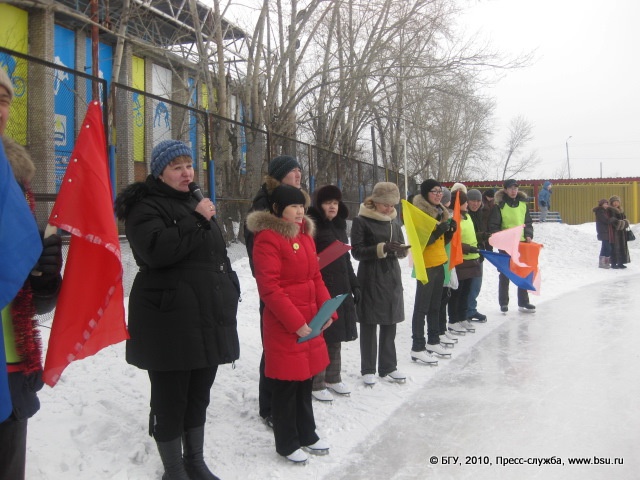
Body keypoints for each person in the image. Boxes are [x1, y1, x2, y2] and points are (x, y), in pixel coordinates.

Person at [115, 139, 240, 480]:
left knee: (199, 395)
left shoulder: (194, 203)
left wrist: (230, 287)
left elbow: (213, 255)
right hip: (169, 320)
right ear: (160, 173)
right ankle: (174, 470)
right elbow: (156, 251)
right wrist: (197, 220)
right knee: (171, 399)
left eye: (189, 166)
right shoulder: (145, 207)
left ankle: (195, 462)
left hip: (206, 315)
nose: (187, 173)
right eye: (177, 167)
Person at [1, 67, 63, 480]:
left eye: (3, 99)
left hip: (11, 361)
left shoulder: (15, 180)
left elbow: (27, 293)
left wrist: (44, 276)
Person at [246, 184, 334, 464]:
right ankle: (286, 443)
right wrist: (296, 322)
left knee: (304, 380)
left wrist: (327, 311)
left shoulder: (305, 234)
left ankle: (307, 433)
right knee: (286, 385)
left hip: (309, 319)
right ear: (277, 209)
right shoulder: (267, 238)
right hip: (285, 324)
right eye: (293, 206)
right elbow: (269, 288)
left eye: (302, 206)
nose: (300, 211)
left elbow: (315, 277)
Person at [243, 155, 308, 428]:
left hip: (297, 286)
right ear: (279, 175)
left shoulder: (298, 201)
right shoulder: (265, 203)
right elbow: (260, 253)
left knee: (294, 345)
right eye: (292, 170)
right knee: (275, 346)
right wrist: (272, 282)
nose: (298, 174)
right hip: (276, 289)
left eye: (299, 169)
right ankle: (269, 406)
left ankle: (291, 399)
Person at [351, 182, 409, 384]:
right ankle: (368, 368)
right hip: (370, 276)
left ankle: (388, 366)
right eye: (385, 204)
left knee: (390, 321)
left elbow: (400, 244)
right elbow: (357, 251)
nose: (389, 208)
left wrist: (401, 250)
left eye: (392, 205)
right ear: (375, 201)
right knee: (369, 322)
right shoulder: (361, 221)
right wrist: (382, 248)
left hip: (391, 276)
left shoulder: (394, 222)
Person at [307, 185, 359, 402]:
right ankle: (316, 382)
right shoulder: (312, 225)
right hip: (321, 285)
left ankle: (333, 377)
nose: (332, 207)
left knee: (335, 334)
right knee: (321, 334)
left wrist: (354, 284)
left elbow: (345, 258)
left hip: (340, 285)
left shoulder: (339, 225)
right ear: (319, 205)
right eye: (328, 203)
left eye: (336, 203)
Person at [488, 179, 535, 313]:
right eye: (510, 188)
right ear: (505, 190)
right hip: (506, 245)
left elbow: (528, 223)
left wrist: (529, 234)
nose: (513, 191)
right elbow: (494, 226)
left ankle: (524, 302)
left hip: (521, 244)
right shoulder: (499, 206)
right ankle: (504, 303)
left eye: (515, 188)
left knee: (522, 272)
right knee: (505, 273)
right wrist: (502, 238)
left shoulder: (523, 205)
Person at [447, 190, 482, 332]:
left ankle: (462, 317)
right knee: (457, 293)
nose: (467, 204)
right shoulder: (454, 219)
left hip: (471, 261)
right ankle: (453, 320)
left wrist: (482, 237)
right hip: (460, 261)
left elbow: (470, 235)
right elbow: (453, 242)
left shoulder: (467, 217)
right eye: (465, 202)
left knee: (466, 292)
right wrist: (469, 248)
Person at [465, 189, 489, 323]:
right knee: (468, 286)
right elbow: (470, 234)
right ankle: (467, 310)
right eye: (473, 201)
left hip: (479, 253)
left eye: (478, 201)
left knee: (476, 285)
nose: (475, 204)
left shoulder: (481, 214)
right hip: (467, 255)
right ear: (467, 201)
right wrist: (483, 236)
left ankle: (471, 309)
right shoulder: (465, 215)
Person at [607, 195, 631, 269]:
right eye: (614, 202)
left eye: (617, 202)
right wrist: (622, 223)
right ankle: (613, 263)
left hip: (622, 232)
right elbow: (612, 220)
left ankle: (621, 262)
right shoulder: (610, 210)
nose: (616, 203)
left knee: (622, 247)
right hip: (615, 232)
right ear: (611, 203)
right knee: (615, 247)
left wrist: (625, 222)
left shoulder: (621, 210)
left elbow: (625, 218)